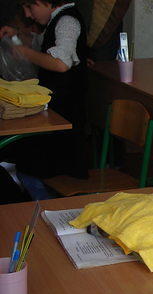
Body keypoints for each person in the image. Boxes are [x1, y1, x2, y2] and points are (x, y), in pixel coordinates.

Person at [0, 0, 88, 179]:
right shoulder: (56, 20)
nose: (28, 14)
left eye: (30, 7)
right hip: (56, 104)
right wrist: (18, 35)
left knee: (46, 159)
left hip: (66, 108)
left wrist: (24, 52)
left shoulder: (68, 21)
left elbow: (61, 63)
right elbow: (44, 45)